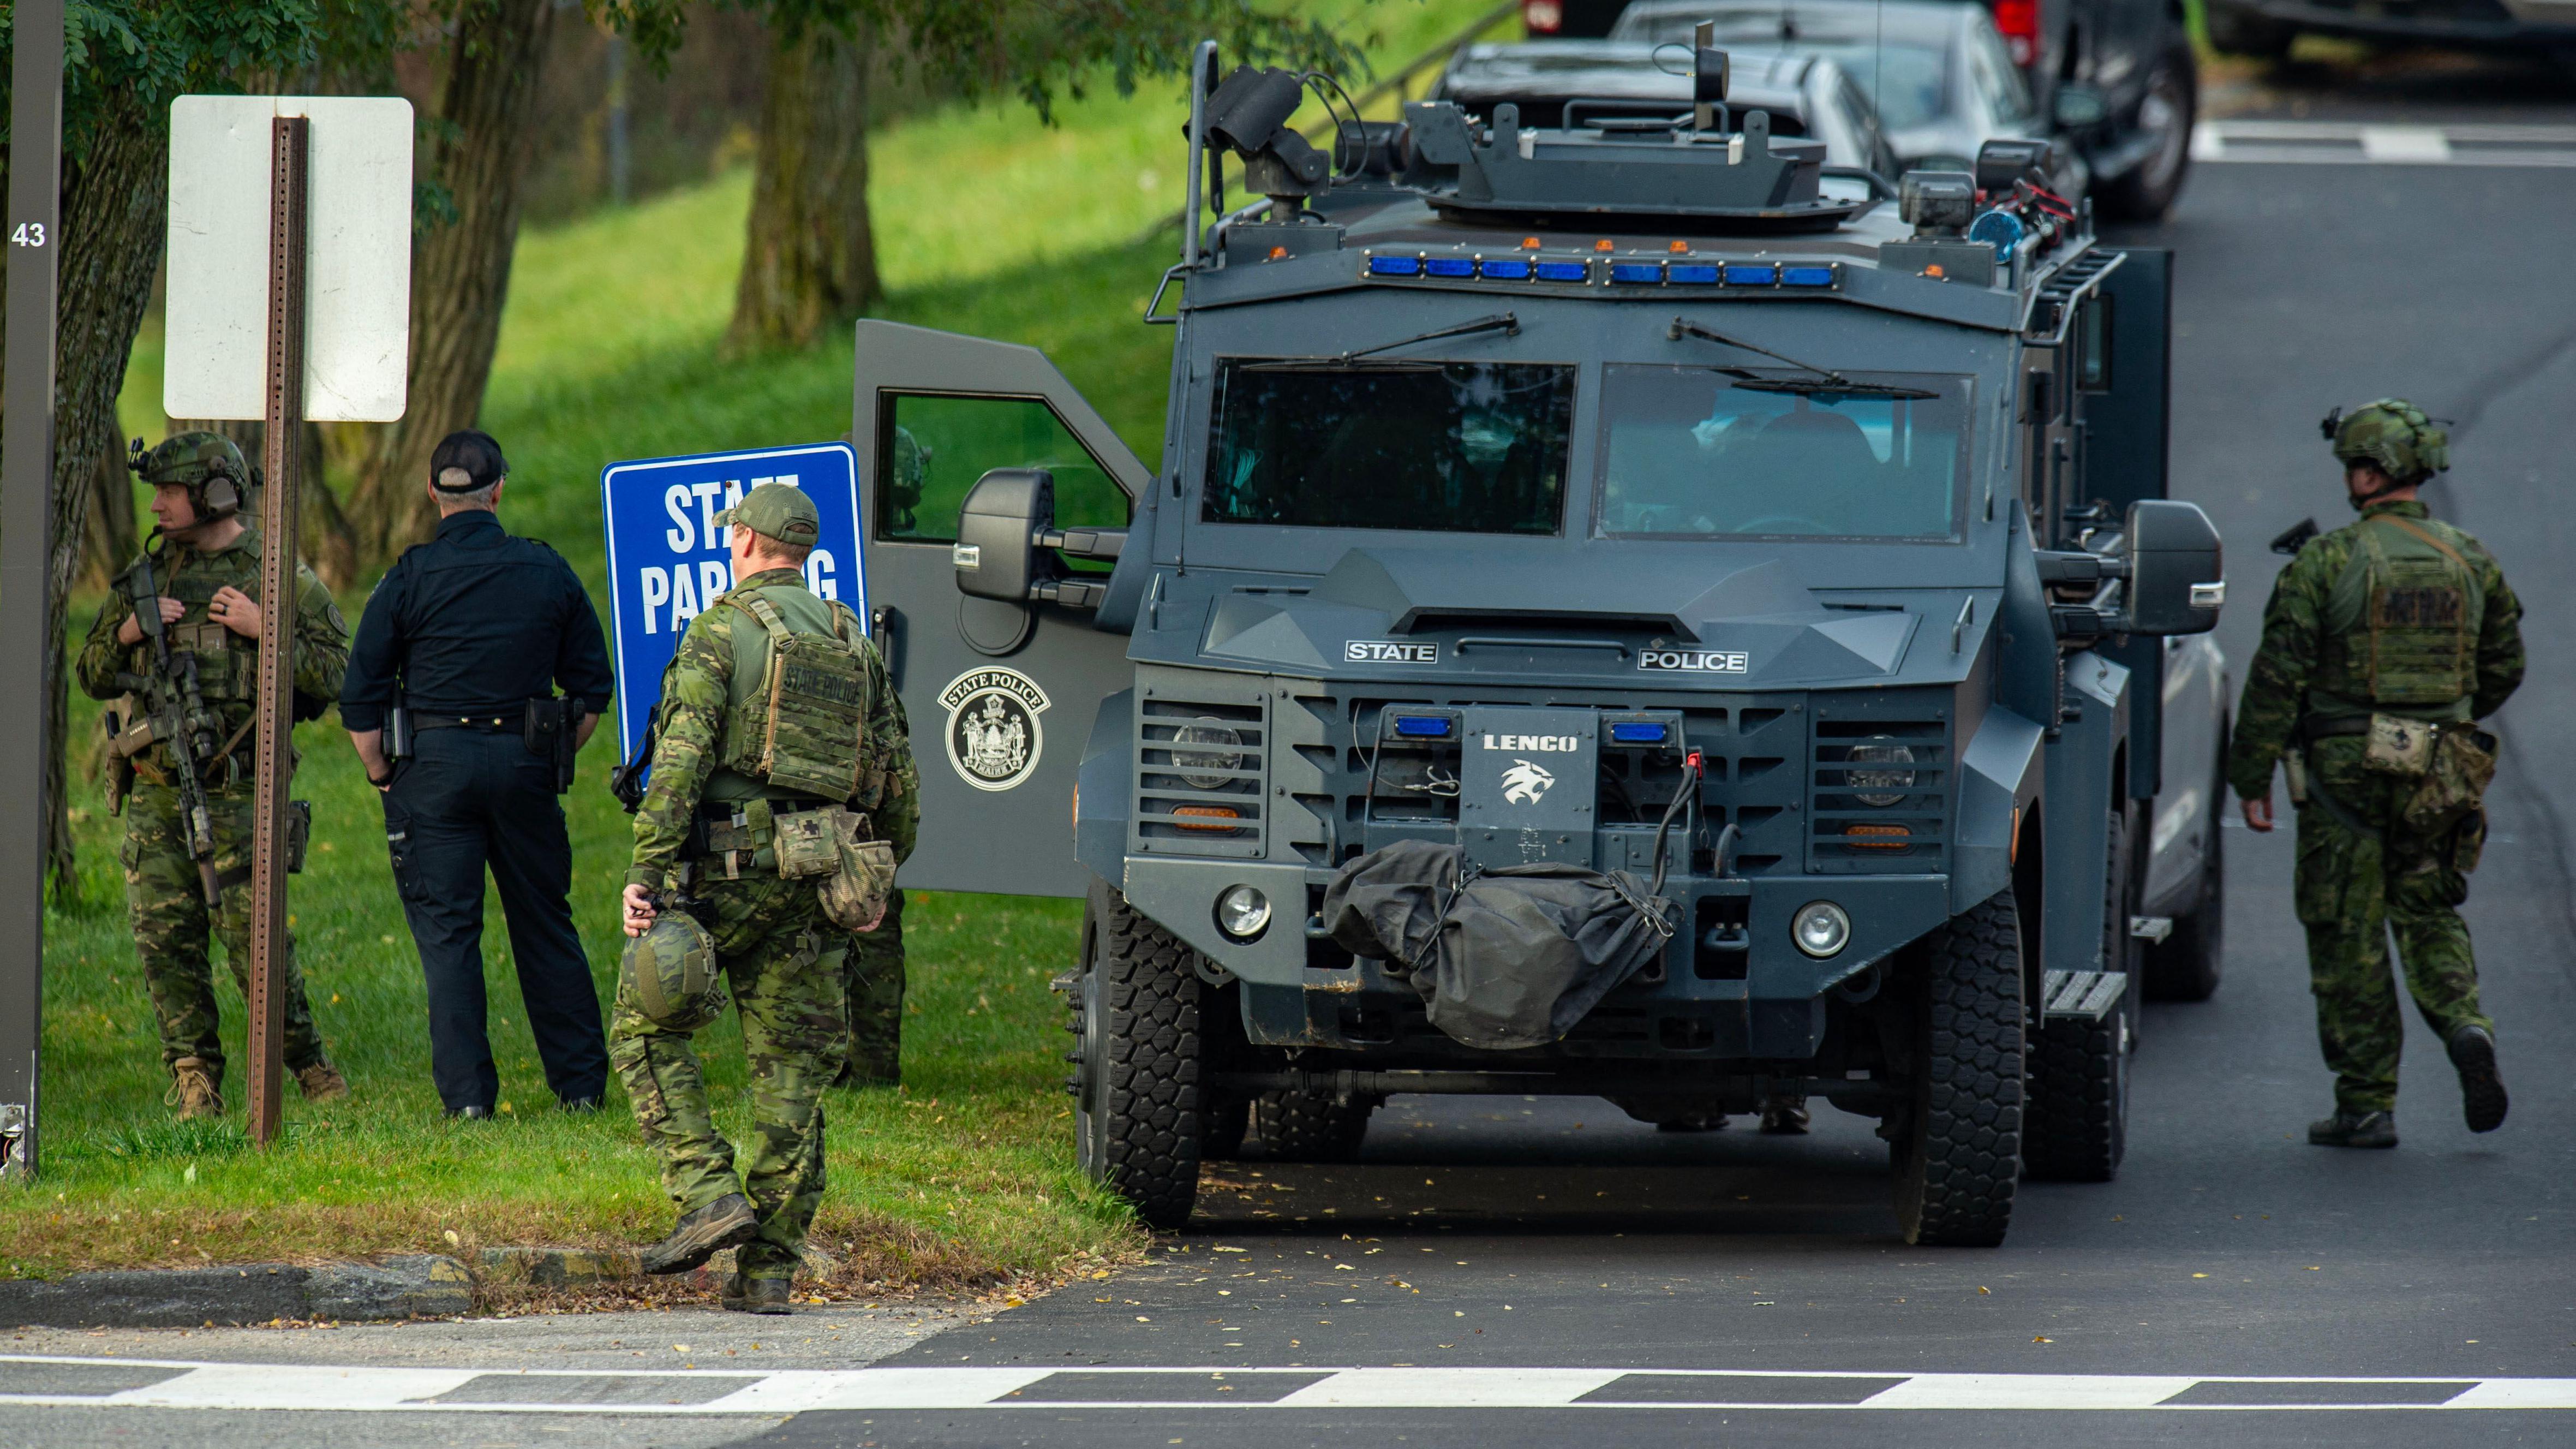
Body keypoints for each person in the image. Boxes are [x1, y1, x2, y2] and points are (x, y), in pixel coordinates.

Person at [614, 482, 916, 1313]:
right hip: (822, 883)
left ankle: (706, 1188)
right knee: (794, 1083)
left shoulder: (722, 629)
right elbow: (898, 779)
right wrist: (878, 879)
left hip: (725, 875)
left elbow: (679, 761)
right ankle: (770, 1271)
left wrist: (647, 871)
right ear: (803, 551)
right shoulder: (855, 642)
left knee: (641, 1024)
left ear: (746, 542)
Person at [2229, 399, 2522, 1150]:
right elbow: (2502, 668)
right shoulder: (2471, 558)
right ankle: (2464, 1024)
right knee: (2427, 908)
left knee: (2346, 928)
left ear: (2369, 471)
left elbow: (2276, 676)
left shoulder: (2326, 561)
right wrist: (2443, 720)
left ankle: (2365, 1102)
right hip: (2442, 765)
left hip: (2344, 769)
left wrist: (2250, 771)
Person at [341, 430, 615, 1119]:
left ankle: (468, 1104)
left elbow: (361, 699)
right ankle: (580, 1089)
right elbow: (592, 686)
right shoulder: (545, 569)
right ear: (499, 491)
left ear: (433, 492)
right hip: (523, 764)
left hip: (431, 772)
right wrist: (553, 753)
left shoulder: (407, 576)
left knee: (448, 938)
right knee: (545, 925)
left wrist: (383, 775)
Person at [77, 432, 350, 1119]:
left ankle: (306, 1062)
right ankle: (194, 1073)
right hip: (160, 792)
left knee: (255, 941)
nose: (158, 508)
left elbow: (343, 674)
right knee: (164, 942)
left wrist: (267, 631)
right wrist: (131, 637)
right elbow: (91, 671)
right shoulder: (149, 576)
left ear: (213, 494)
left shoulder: (276, 574)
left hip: (241, 793)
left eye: (169, 493)